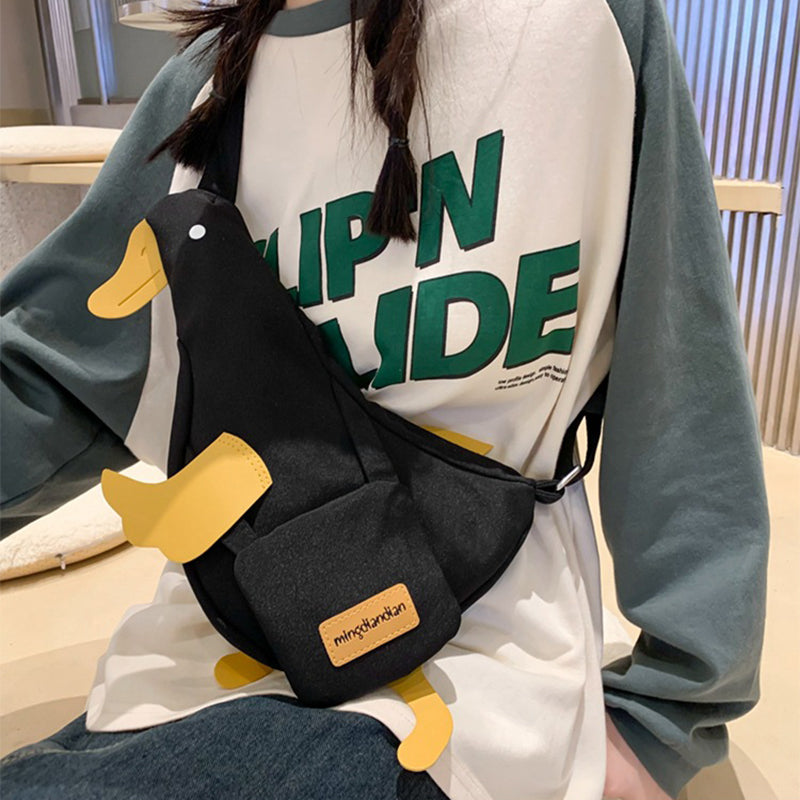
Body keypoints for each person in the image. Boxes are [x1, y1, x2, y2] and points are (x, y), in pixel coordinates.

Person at [0, 0, 769, 798]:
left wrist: (665, 714)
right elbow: (57, 368)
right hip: (209, 652)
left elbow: (679, 382)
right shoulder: (204, 88)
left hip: (480, 683)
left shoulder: (580, 29)